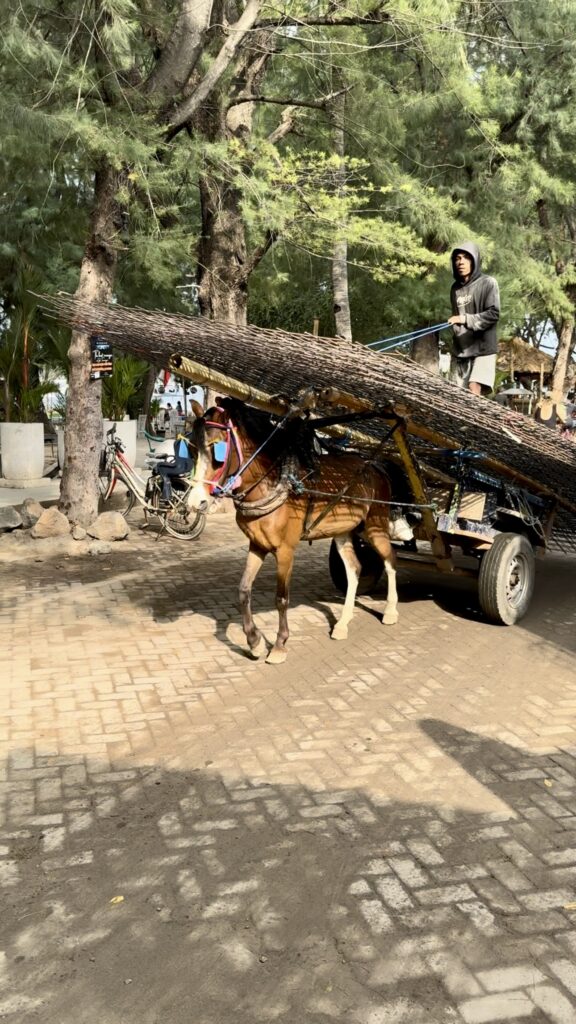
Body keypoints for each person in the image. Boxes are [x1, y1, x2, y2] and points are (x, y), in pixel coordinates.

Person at [448, 242, 500, 396]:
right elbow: (457, 319)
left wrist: (464, 319)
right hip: (462, 349)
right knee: (458, 395)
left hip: (484, 348)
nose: (460, 262)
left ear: (475, 261)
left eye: (466, 258)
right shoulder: (455, 288)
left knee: (473, 388)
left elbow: (493, 314)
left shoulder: (488, 283)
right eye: (457, 258)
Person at [157, 431, 195, 500]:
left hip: (179, 467)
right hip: (188, 466)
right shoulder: (188, 440)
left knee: (160, 466)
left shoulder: (181, 441)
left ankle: (166, 493)